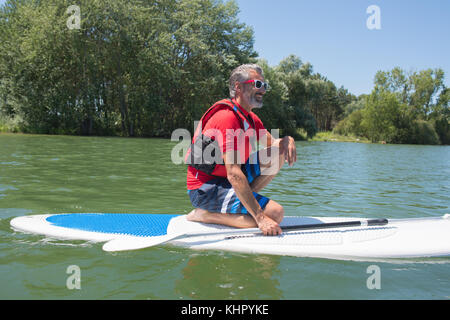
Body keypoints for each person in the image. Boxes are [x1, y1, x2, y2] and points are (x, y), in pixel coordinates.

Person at [185, 64, 297, 236]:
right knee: (275, 213)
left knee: (278, 151)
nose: (263, 90)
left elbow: (275, 143)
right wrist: (260, 218)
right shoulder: (226, 117)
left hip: (227, 181)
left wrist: (288, 140)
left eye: (264, 86)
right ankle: (205, 215)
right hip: (205, 189)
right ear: (238, 87)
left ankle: (243, 202)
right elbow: (234, 173)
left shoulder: (250, 118)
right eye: (257, 85)